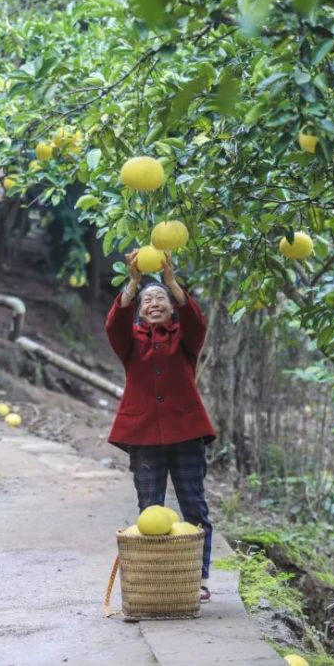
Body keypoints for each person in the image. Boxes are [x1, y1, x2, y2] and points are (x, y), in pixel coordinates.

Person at [105, 249, 216, 602]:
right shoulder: (130, 342)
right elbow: (114, 323)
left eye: (161, 299)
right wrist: (134, 281)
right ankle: (154, 579)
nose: (154, 303)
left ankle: (197, 578)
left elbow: (196, 320)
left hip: (186, 435)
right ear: (139, 311)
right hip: (144, 438)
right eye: (147, 300)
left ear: (171, 308)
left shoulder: (185, 339)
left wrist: (170, 281)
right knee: (150, 511)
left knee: (195, 508)